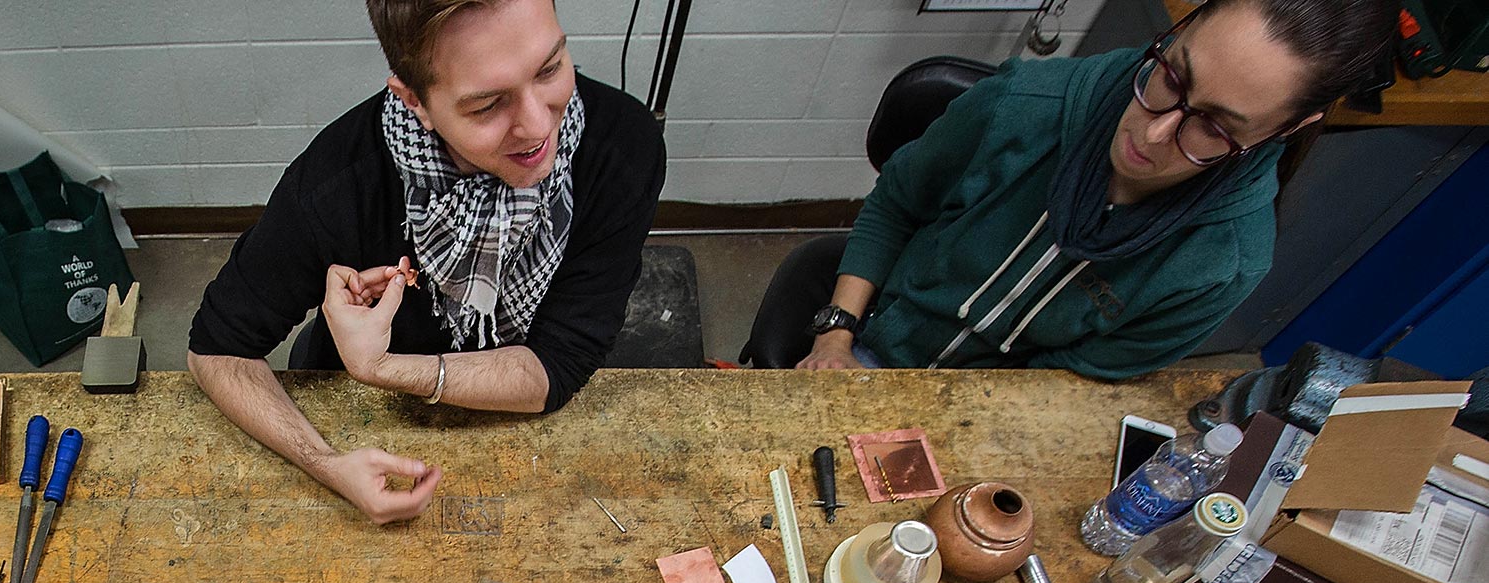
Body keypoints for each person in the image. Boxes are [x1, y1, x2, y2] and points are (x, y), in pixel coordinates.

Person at [187, 0, 665, 524]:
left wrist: (382, 367)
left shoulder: (623, 144)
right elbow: (217, 351)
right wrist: (326, 463)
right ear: (415, 101)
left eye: (549, 69)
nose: (536, 127)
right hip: (363, 422)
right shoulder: (338, 182)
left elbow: (560, 361)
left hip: (525, 432)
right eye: (487, 105)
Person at [743, 0, 1396, 377]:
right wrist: (834, 338)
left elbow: (1074, 385)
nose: (1154, 130)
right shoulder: (1023, 105)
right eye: (1171, 75)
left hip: (984, 408)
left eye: (1214, 127)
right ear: (1185, 25)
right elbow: (895, 204)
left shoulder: (1223, 263)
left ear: (1290, 128)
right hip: (876, 339)